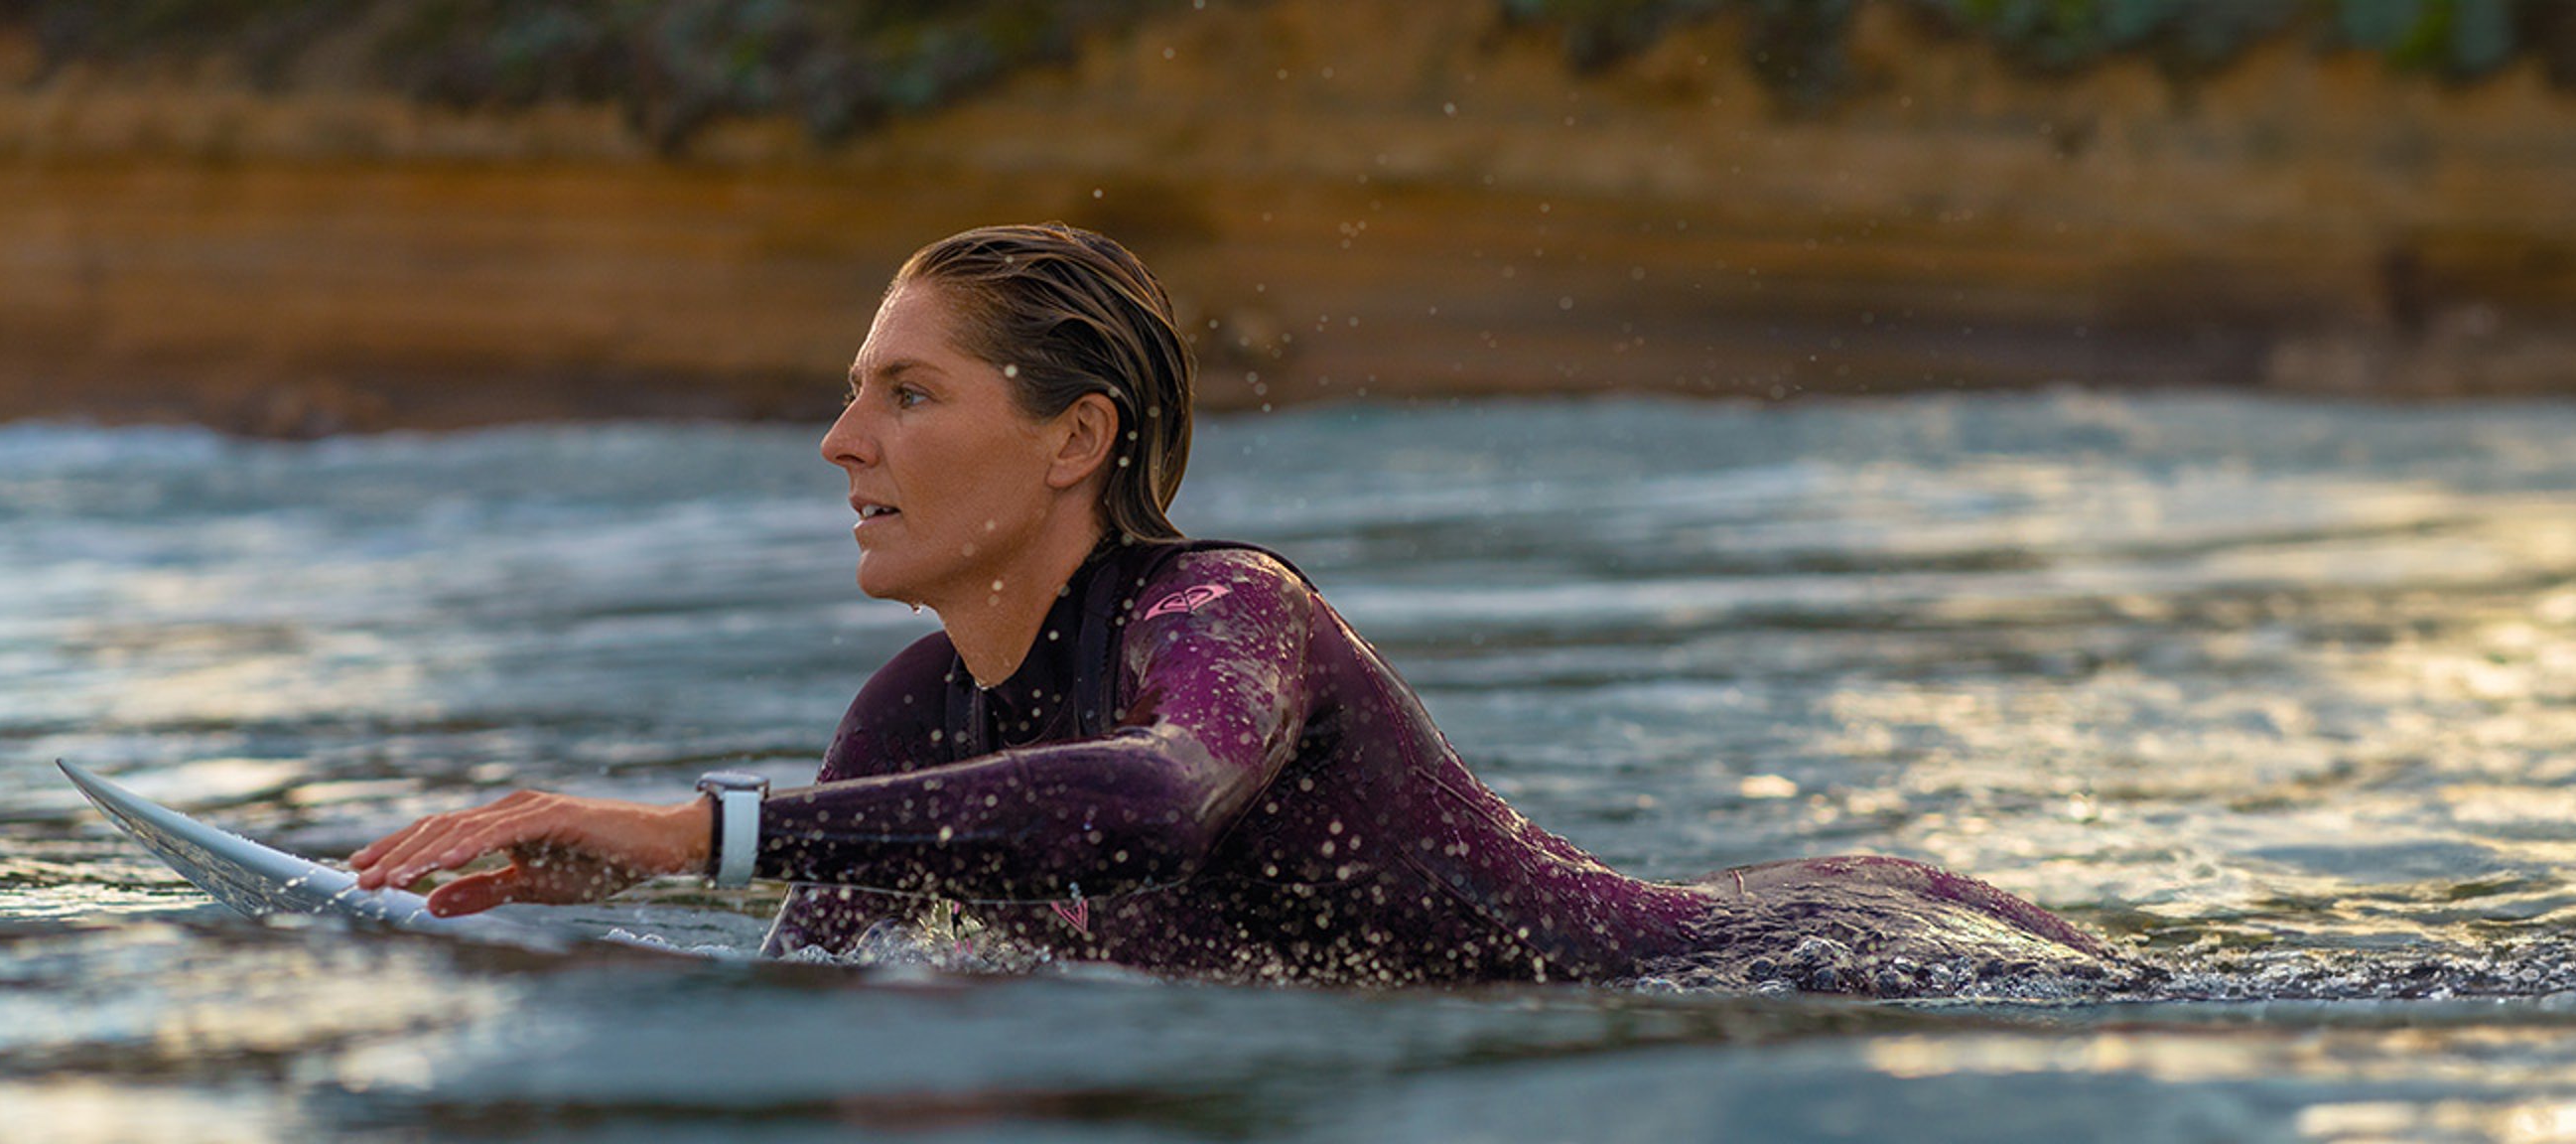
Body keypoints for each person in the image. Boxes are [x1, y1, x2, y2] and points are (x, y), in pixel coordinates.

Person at [347, 223, 2127, 989]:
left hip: (1815, 968)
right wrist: (579, 922)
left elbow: (1157, 799)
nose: (840, 442)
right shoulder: (910, 717)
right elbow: (817, 991)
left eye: (908, 394)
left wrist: (695, 834)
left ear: (1076, 440)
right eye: (851, 394)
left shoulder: (1224, 613)